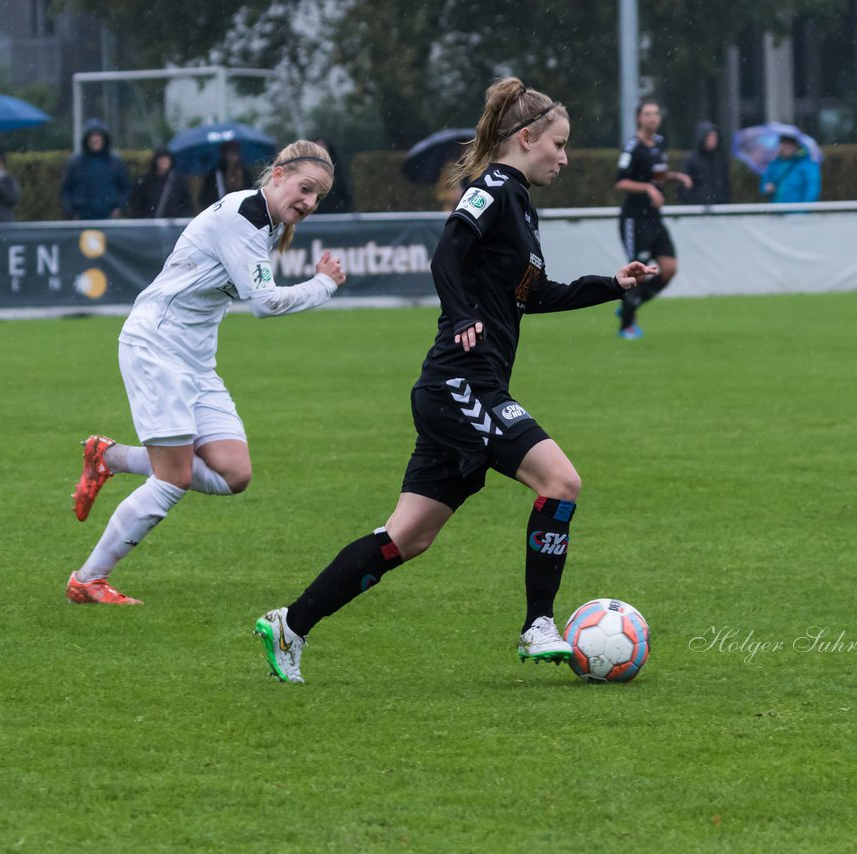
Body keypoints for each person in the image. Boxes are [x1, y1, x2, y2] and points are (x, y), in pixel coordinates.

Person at [253, 78, 659, 684]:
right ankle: (538, 624)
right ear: (527, 138)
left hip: (461, 390)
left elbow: (534, 295)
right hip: (460, 385)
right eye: (560, 144)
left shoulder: (519, 201)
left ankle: (290, 623)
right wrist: (465, 313)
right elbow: (448, 251)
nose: (565, 157)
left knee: (406, 538)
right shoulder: (493, 188)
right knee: (561, 481)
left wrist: (612, 285)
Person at [66, 140, 347, 605]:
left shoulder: (265, 219)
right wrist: (323, 285)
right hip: (156, 347)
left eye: (319, 196)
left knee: (233, 474)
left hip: (195, 362)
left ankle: (109, 458)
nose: (310, 203)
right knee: (173, 478)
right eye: (305, 188)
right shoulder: (246, 219)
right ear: (278, 175)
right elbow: (265, 303)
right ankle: (88, 580)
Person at [613, 99, 691, 340]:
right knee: (639, 273)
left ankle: (632, 303)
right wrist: (648, 188)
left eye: (656, 113)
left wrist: (675, 176)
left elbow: (656, 175)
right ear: (639, 118)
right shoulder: (632, 147)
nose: (652, 118)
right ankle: (626, 325)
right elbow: (621, 182)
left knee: (668, 269)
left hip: (655, 220)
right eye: (647, 114)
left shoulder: (658, 144)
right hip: (634, 220)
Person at [60, 118, 130, 220]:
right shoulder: (75, 162)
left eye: (98, 136)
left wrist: (120, 208)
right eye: (92, 136)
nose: (95, 139)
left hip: (109, 218)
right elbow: (66, 190)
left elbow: (125, 188)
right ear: (87, 139)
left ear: (104, 138)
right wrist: (71, 212)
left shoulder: (116, 162)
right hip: (82, 219)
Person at [127, 147, 194, 219]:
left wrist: (180, 217)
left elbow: (187, 203)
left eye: (166, 159)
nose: (163, 161)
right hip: (149, 224)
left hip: (173, 225)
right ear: (155, 161)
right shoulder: (145, 181)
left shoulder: (179, 181)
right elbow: (136, 203)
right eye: (161, 159)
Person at [679, 121, 729, 206]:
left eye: (715, 137)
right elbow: (684, 188)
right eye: (710, 137)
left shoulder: (720, 159)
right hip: (697, 208)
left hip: (719, 206)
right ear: (702, 137)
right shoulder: (691, 159)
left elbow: (725, 184)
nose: (713, 140)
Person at [761, 134, 821, 203]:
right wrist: (766, 188)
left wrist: (803, 209)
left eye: (789, 144)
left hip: (797, 211)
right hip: (776, 209)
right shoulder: (773, 164)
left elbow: (812, 188)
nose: (786, 147)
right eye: (783, 144)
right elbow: (764, 184)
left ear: (796, 146)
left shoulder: (807, 164)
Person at [198, 140, 254, 209]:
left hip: (242, 211)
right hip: (221, 212)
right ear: (224, 154)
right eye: (230, 151)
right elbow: (204, 199)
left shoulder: (245, 173)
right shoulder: (215, 174)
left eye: (236, 150)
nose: (234, 154)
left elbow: (251, 193)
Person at [312, 138, 353, 213]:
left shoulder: (337, 168)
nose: (320, 151)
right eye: (317, 148)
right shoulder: (304, 169)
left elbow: (343, 191)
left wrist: (342, 209)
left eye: (322, 147)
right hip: (313, 215)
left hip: (333, 213)